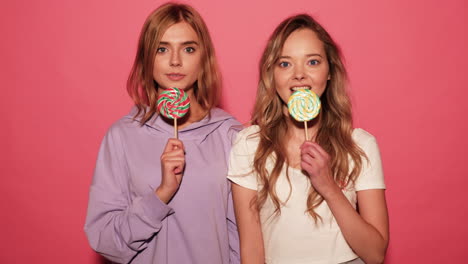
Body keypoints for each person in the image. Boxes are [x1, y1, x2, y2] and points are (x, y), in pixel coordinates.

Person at [84, 3, 241, 263]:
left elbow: (242, 237)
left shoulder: (231, 135)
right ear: (147, 57)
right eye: (162, 49)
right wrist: (161, 194)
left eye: (188, 49)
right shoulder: (122, 136)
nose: (175, 61)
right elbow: (105, 240)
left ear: (204, 57)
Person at [228, 14, 389, 264]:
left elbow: (375, 253)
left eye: (312, 62)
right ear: (271, 75)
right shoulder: (250, 144)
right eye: (285, 64)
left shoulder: (360, 145)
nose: (299, 75)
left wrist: (328, 186)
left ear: (329, 72)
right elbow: (251, 248)